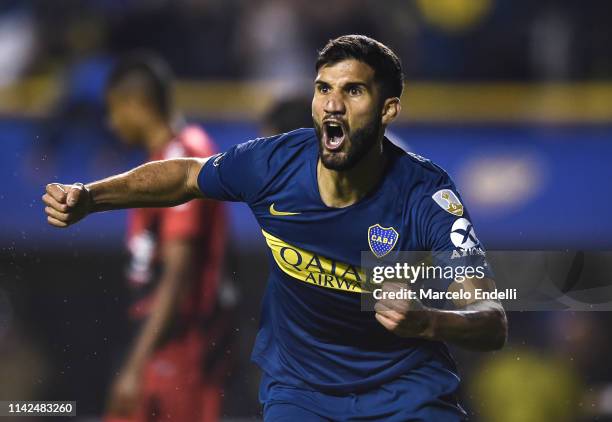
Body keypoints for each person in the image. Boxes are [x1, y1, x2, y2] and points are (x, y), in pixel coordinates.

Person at [43, 35, 507, 421]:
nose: (333, 105)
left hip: (406, 396)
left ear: (388, 110)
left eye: (353, 92)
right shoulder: (274, 165)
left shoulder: (427, 196)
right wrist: (91, 197)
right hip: (301, 394)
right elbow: (184, 175)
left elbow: (491, 319)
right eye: (324, 89)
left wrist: (428, 321)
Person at [101, 54, 230, 422]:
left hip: (179, 345)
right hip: (160, 340)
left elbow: (179, 272)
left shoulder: (183, 154)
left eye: (114, 110)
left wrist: (135, 364)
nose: (112, 123)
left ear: (137, 104)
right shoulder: (164, 156)